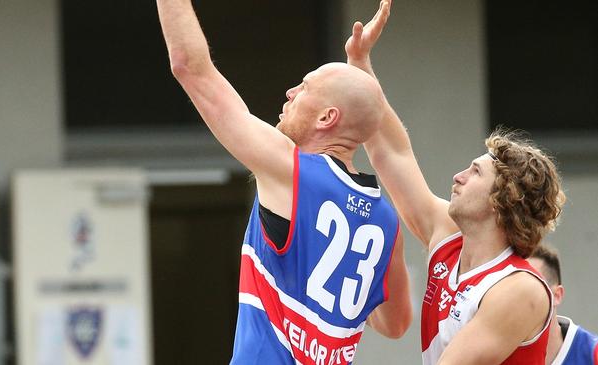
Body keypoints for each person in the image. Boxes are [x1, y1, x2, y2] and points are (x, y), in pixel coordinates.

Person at [155, 0, 412, 364]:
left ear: (327, 117)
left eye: (304, 87)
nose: (290, 92)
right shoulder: (386, 221)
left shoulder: (291, 168)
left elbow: (190, 67)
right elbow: (396, 322)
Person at [345, 1, 566, 364]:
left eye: (476, 172)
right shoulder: (448, 236)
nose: (457, 177)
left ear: (502, 199)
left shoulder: (519, 288)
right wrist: (359, 67)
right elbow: (393, 153)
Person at [528, 244, 598, 365]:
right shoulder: (496, 354)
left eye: (531, 287)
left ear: (557, 296)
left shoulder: (592, 354)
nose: (518, 297)